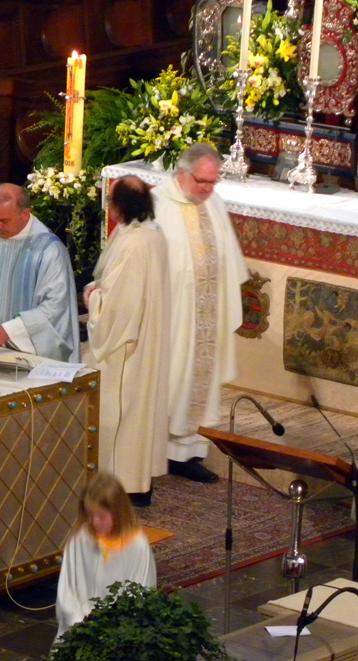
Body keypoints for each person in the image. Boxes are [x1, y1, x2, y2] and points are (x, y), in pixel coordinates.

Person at [152, 143, 247, 483]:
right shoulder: (158, 205)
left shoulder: (213, 203)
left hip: (206, 313)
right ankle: (157, 449)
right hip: (174, 314)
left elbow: (228, 260)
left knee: (200, 381)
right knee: (172, 379)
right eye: (202, 181)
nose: (208, 188)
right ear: (182, 174)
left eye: (213, 181)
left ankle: (188, 453)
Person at [83, 178, 170, 506]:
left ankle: (122, 484)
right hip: (145, 337)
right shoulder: (150, 233)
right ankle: (135, 481)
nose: (109, 207)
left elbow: (119, 306)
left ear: (122, 206)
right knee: (137, 411)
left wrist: (93, 298)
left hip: (125, 344)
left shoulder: (135, 243)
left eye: (111, 201)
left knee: (123, 410)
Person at [0, 183, 80, 362]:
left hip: (31, 356)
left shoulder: (49, 250)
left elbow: (55, 308)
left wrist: (10, 331)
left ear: (25, 214)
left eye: (4, 221)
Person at [55, 472, 156, 640]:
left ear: (118, 513)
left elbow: (141, 595)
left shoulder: (137, 545)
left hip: (120, 635)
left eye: (101, 516)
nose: (95, 522)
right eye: (90, 515)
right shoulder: (80, 539)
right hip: (80, 631)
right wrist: (82, 625)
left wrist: (112, 632)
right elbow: (68, 592)